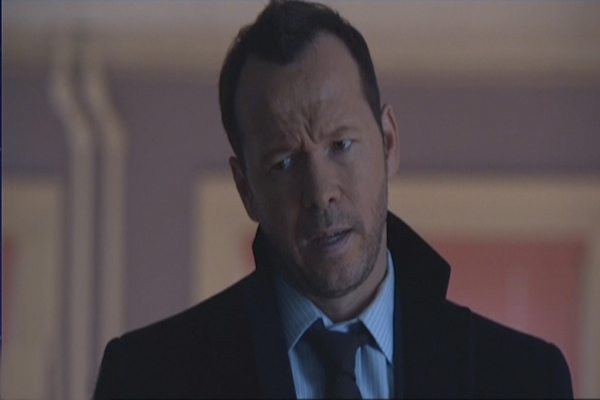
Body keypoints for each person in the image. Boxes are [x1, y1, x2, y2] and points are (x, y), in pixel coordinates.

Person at [93, 1, 573, 398]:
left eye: (341, 145)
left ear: (388, 142)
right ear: (246, 189)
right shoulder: (145, 380)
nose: (321, 193)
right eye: (284, 163)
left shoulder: (527, 379)